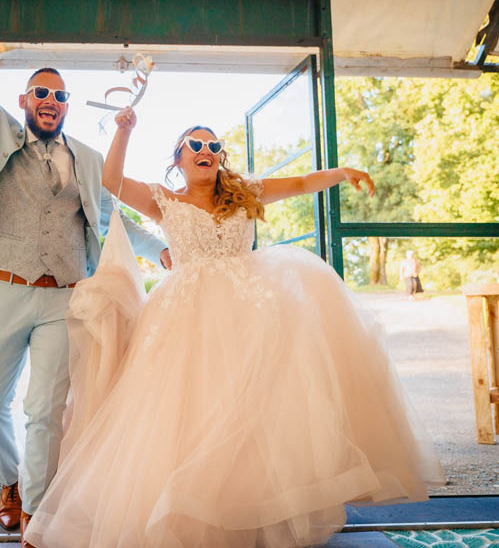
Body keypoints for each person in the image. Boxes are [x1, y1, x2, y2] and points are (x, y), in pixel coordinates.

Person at [25, 108, 444, 547]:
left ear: (219, 157)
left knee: (255, 412)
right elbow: (111, 182)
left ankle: (253, 513)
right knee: (186, 413)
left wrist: (340, 172)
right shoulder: (164, 200)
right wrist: (123, 132)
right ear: (180, 159)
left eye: (213, 146)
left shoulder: (245, 193)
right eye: (196, 145)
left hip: (251, 316)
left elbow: (301, 184)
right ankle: (184, 515)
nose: (206, 150)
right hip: (185, 322)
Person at [0, 0, 169, 545]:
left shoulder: (84, 155)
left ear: (68, 105)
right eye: (41, 92)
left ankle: (35, 508)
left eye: (59, 94)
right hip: (3, 289)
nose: (50, 101)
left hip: (64, 296)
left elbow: (111, 216)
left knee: (44, 411)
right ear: (26, 100)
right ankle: (7, 482)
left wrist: (159, 249)